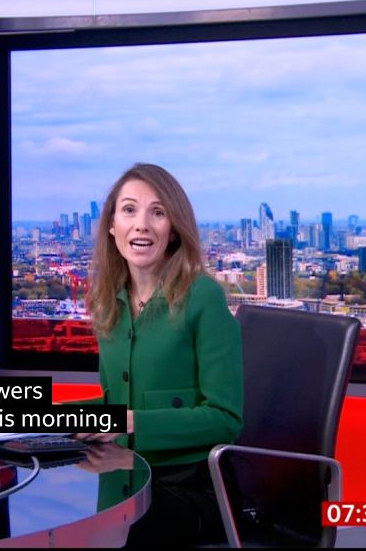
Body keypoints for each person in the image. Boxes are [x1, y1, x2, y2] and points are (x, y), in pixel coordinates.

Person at [73, 163, 244, 547]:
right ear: (112, 226)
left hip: (193, 487)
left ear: (174, 230)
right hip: (122, 476)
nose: (142, 225)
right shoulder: (107, 302)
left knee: (116, 532)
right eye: (129, 210)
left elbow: (225, 419)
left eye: (158, 212)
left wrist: (131, 422)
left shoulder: (203, 297)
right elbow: (113, 405)